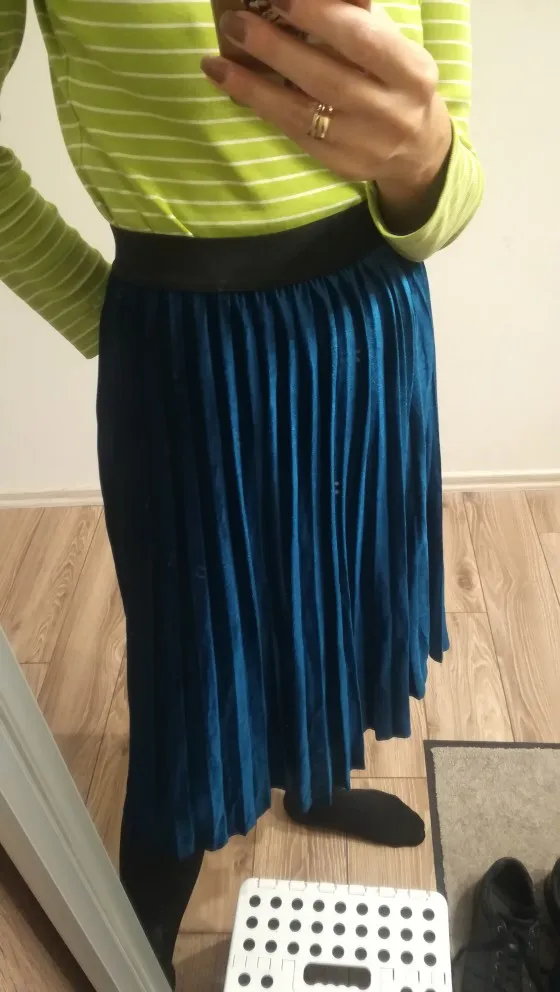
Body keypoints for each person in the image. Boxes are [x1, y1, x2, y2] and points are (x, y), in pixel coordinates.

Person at [0, 0, 483, 987]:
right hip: (181, 342)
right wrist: (109, 314)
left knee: (340, 592)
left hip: (371, 323)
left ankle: (313, 774)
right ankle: (142, 918)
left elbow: (450, 179)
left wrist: (426, 155)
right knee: (192, 655)